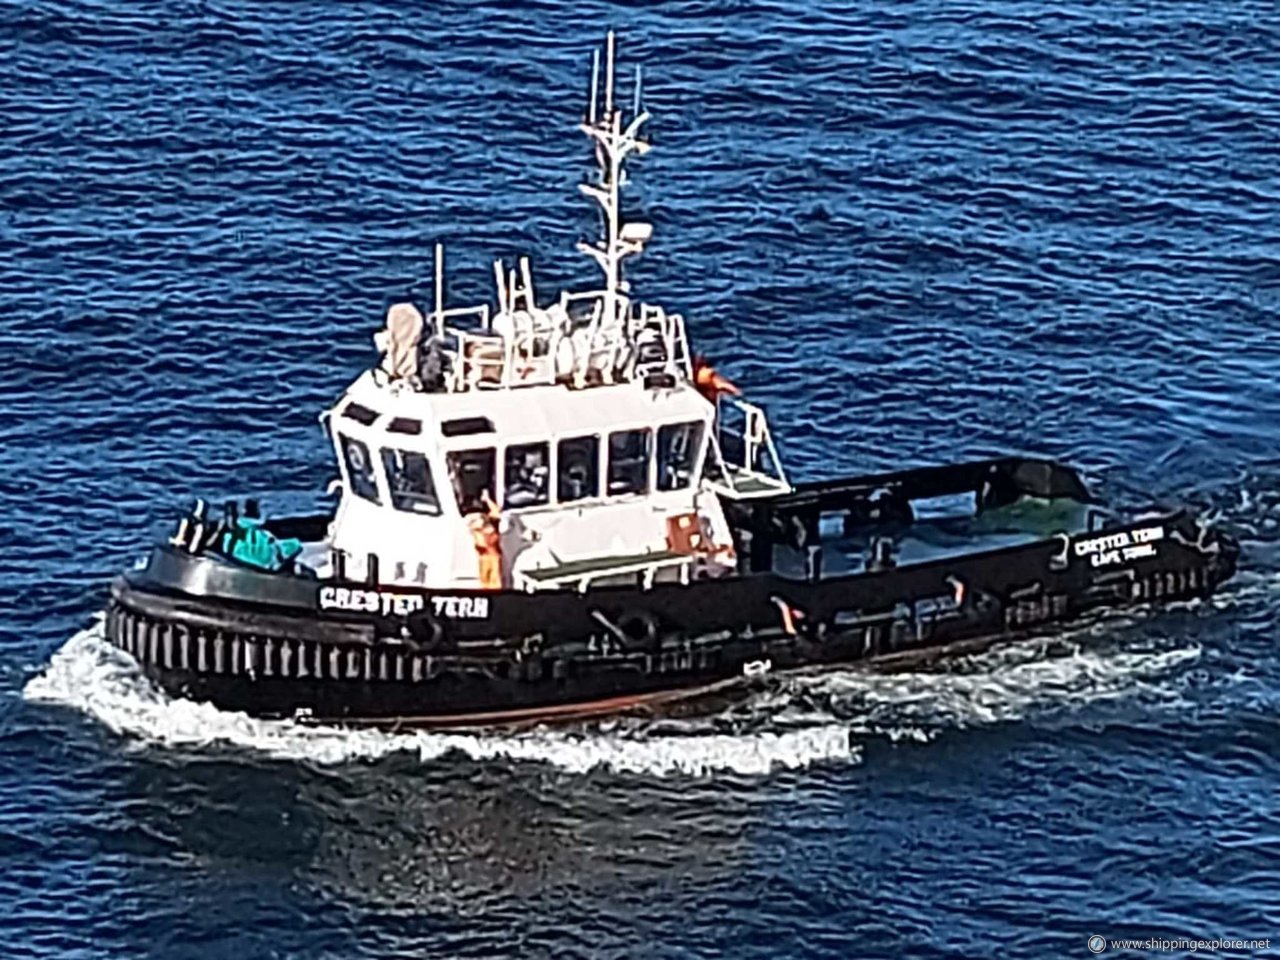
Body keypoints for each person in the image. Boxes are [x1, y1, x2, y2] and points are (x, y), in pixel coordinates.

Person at [468, 491, 503, 590]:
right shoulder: (476, 529)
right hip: (484, 558)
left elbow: (496, 511)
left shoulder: (492, 524)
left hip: (493, 557)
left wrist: (487, 499)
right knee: (485, 583)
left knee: (495, 582)